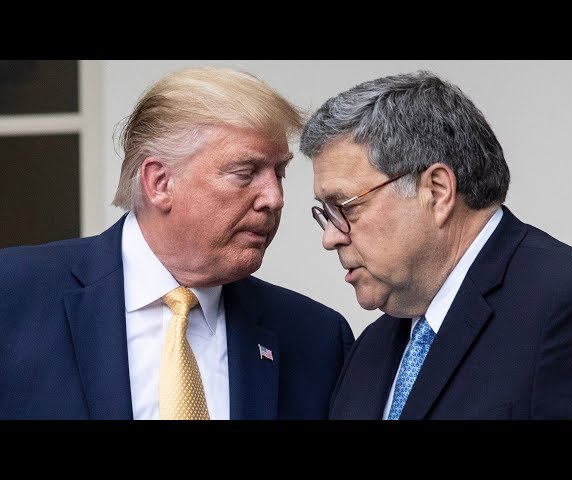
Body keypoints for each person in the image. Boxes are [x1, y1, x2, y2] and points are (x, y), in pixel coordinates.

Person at [0, 66, 354, 420]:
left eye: (279, 173)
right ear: (160, 182)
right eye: (245, 173)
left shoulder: (316, 338)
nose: (274, 198)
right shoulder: (13, 295)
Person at [300, 70, 572, 419]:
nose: (330, 237)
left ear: (437, 191)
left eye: (346, 208)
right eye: (326, 213)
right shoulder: (368, 351)